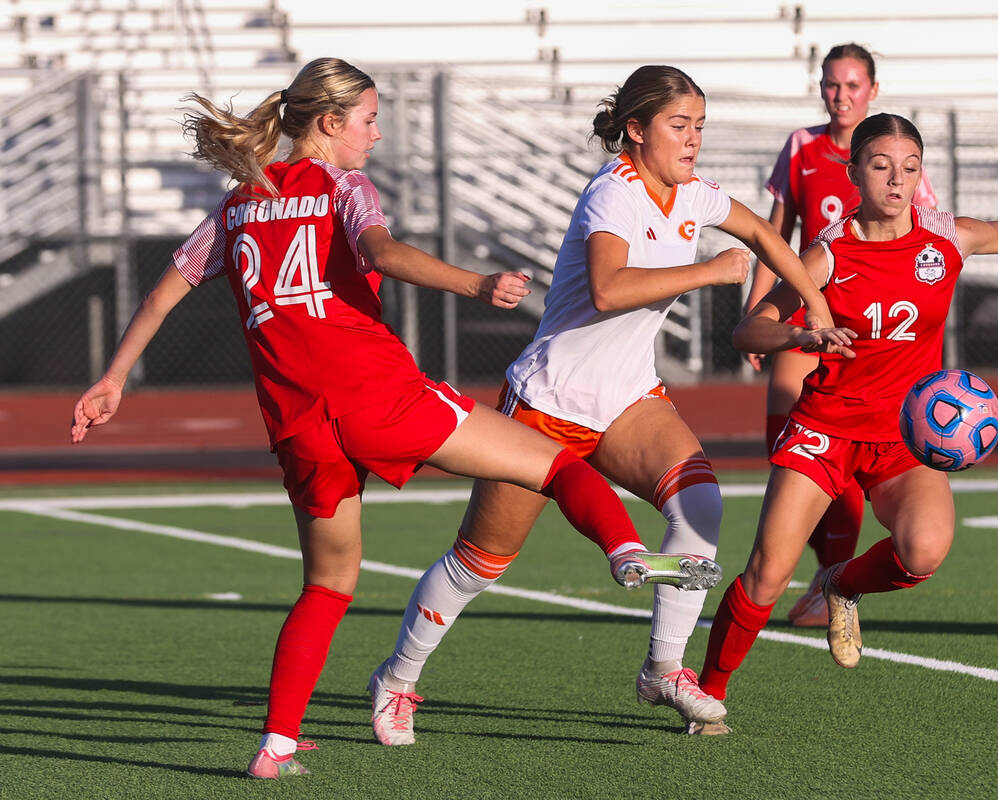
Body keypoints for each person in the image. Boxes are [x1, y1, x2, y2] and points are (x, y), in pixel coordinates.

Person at [69, 58, 724, 780]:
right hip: (379, 395)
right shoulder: (343, 186)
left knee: (327, 585)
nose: (376, 136)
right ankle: (624, 548)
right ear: (328, 123)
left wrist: (112, 377)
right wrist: (474, 282)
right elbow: (381, 251)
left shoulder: (238, 205)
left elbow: (168, 291)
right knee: (554, 462)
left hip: (298, 423)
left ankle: (275, 745)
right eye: (369, 120)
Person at [368, 65, 854, 739]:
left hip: (628, 398)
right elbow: (607, 288)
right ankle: (397, 678)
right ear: (635, 129)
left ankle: (664, 668)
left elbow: (769, 237)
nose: (692, 141)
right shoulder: (613, 192)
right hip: (547, 401)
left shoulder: (693, 192)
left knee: (701, 503)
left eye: (700, 127)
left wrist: (820, 309)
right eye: (678, 126)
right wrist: (710, 273)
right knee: (480, 561)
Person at [697, 113, 998, 713]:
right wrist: (801, 339)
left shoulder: (945, 239)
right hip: (824, 430)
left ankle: (840, 584)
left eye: (911, 168)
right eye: (882, 166)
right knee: (765, 575)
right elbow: (748, 331)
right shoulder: (827, 255)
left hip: (904, 436)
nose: (898, 180)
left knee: (923, 552)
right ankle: (708, 693)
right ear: (853, 173)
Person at [744, 43, 939, 628]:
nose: (841, 95)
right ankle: (823, 572)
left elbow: (924, 230)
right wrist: (760, 312)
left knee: (846, 448)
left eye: (853, 85)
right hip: (810, 315)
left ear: (871, 90)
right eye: (832, 84)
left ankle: (833, 584)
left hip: (869, 327)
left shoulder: (892, 150)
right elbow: (776, 235)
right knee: (792, 449)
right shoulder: (801, 147)